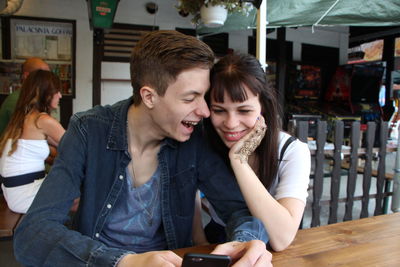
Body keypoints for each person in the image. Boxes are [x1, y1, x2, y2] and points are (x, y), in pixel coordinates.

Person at [13, 31, 272, 267]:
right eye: (190, 98)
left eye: (204, 97)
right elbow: (33, 233)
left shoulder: (195, 140)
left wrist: (245, 242)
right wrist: (124, 262)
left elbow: (239, 210)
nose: (205, 111)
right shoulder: (88, 131)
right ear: (149, 96)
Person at [202, 52, 311, 251]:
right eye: (219, 110)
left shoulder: (292, 151)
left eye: (244, 111)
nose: (231, 124)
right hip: (219, 241)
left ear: (263, 108)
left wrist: (239, 160)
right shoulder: (205, 144)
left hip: (273, 251)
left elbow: (281, 238)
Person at [0, 70, 65, 213]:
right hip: (25, 194)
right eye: (57, 91)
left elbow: (59, 146)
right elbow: (77, 145)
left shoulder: (23, 118)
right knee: (84, 196)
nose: (60, 95)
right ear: (46, 94)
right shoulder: (42, 120)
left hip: (15, 192)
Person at [0, 57, 50, 135]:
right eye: (42, 75)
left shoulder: (31, 97)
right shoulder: (17, 100)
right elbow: (34, 131)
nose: (48, 79)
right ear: (27, 76)